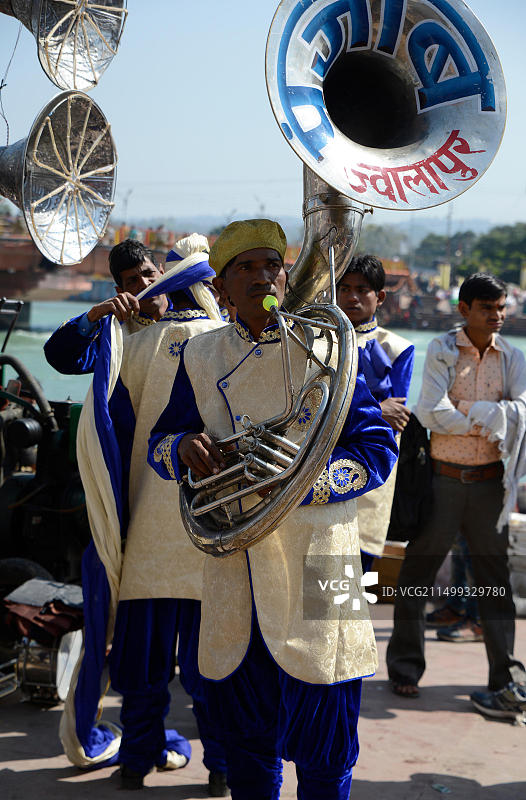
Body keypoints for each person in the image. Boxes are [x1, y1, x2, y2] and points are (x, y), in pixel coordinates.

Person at [147, 218, 398, 799]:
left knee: (328, 727)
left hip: (325, 554)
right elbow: (163, 443)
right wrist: (184, 447)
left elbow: (377, 447)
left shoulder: (331, 347)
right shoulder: (200, 354)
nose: (263, 276)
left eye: (271, 265)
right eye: (246, 268)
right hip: (237, 556)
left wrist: (305, 484)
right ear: (223, 287)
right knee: (244, 735)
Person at [59, 236, 229, 795]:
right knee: (202, 665)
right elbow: (66, 354)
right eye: (133, 282)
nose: (145, 288)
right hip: (195, 534)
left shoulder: (143, 345)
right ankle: (205, 768)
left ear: (168, 276)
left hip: (168, 537)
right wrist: (100, 318)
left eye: (151, 275)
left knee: (159, 667)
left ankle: (148, 763)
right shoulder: (216, 337)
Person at [386, 273, 526, 721]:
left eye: (502, 308)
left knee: (495, 583)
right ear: (465, 309)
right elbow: (428, 411)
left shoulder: (513, 356)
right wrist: (491, 417)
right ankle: (405, 666)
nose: (498, 316)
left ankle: (503, 677)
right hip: (444, 481)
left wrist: (467, 412)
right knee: (416, 574)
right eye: (488, 308)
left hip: (490, 483)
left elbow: (522, 412)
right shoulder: (443, 349)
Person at [336, 254, 414, 573]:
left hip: (373, 469)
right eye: (345, 287)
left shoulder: (397, 348)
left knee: (356, 578)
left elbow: (396, 418)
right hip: (320, 467)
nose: (352, 296)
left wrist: (341, 414)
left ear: (380, 296)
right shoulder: (318, 339)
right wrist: (376, 410)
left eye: (362, 289)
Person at [44, 239, 168, 374]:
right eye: (132, 281)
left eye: (149, 273)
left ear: (162, 272)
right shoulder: (115, 331)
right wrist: (92, 316)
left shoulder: (190, 311)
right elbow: (61, 360)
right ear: (120, 291)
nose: (144, 284)